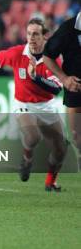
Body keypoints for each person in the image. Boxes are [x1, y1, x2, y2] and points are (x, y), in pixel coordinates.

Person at [0, 18, 67, 191]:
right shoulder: (17, 53)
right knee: (33, 137)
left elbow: (56, 89)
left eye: (36, 34)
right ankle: (27, 159)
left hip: (46, 105)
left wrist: (35, 77)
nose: (31, 38)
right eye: (29, 34)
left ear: (44, 37)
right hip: (23, 103)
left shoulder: (54, 59)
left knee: (61, 148)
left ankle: (50, 182)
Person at [43, 11, 81, 170]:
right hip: (76, 88)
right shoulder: (68, 29)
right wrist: (64, 79)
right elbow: (48, 56)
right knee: (76, 137)